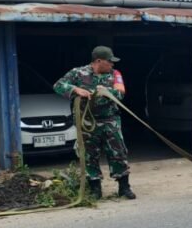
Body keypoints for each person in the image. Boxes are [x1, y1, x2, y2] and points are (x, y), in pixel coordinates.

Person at [53, 45, 135, 200]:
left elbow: (120, 92)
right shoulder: (78, 73)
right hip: (87, 123)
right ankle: (95, 189)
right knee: (89, 155)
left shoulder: (114, 74)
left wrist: (105, 91)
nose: (112, 64)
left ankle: (124, 187)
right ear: (98, 61)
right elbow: (58, 86)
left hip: (110, 120)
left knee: (118, 153)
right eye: (109, 61)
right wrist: (75, 89)